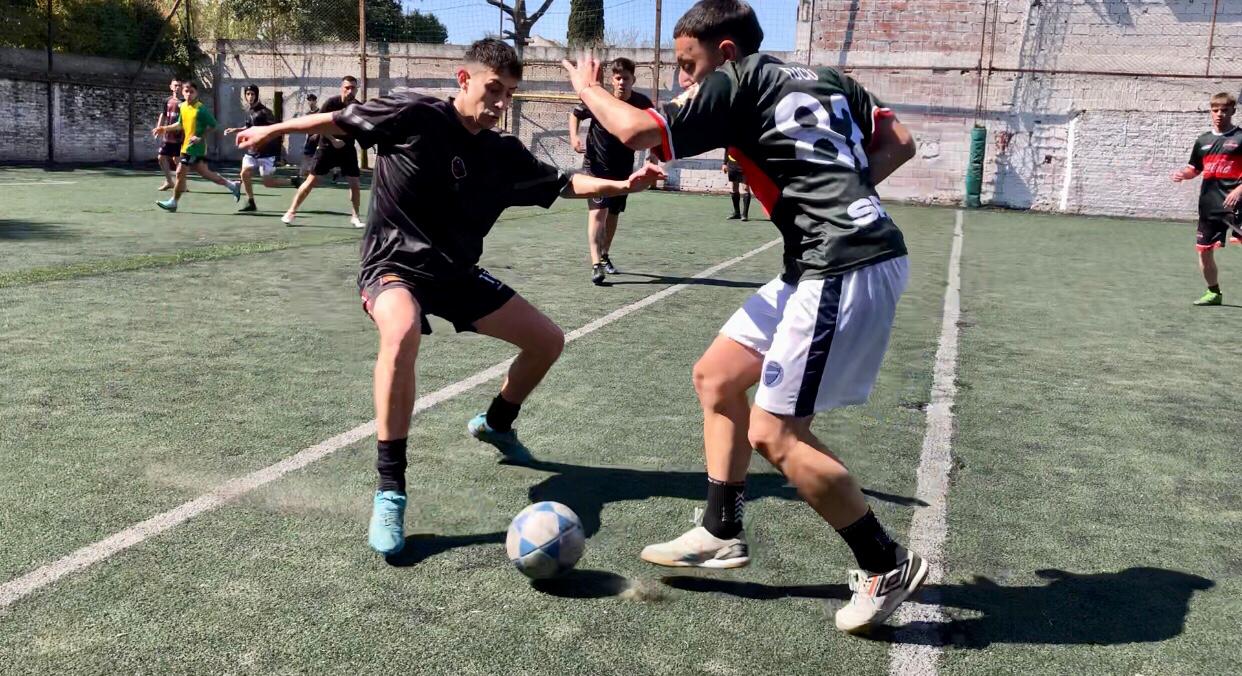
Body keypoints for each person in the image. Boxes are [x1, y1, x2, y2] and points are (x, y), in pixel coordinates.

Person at [562, 0, 924, 634]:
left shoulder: (736, 80)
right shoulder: (826, 77)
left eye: (688, 64)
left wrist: (589, 89)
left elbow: (635, 132)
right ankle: (720, 529)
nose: (683, 80)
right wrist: (843, 192)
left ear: (725, 51)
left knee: (775, 434)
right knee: (717, 376)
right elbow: (899, 141)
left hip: (842, 261)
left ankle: (883, 562)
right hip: (824, 257)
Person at [236, 38, 664, 558]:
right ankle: (390, 490)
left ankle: (497, 424)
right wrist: (273, 129)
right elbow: (339, 121)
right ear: (464, 80)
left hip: (456, 275)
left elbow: (563, 183)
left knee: (548, 341)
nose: (501, 102)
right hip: (393, 266)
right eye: (493, 89)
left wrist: (624, 185)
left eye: (509, 94)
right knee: (402, 329)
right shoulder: (415, 114)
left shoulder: (501, 153)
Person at [568, 57, 654, 285]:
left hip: (623, 169)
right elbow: (575, 114)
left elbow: (656, 128)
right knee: (598, 212)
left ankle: (605, 254)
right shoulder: (600, 100)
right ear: (612, 80)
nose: (621, 82)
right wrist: (574, 137)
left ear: (633, 79)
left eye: (626, 78)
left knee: (613, 214)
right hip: (596, 167)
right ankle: (596, 264)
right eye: (618, 78)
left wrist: (653, 156)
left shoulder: (642, 103)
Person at [1171, 91, 1242, 306]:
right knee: (1204, 251)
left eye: (1224, 110)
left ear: (1233, 111)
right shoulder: (1202, 140)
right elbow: (1195, 168)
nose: (1219, 114)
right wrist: (1184, 174)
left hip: (1237, 204)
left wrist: (1239, 190)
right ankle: (1213, 293)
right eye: (1215, 110)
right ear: (1210, 111)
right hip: (1209, 205)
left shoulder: (1240, 138)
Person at [282, 76, 363, 228]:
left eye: (353, 88)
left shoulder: (358, 107)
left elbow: (361, 127)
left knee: (355, 184)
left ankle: (355, 217)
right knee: (311, 181)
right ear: (342, 88)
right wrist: (333, 140)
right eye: (347, 87)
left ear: (356, 90)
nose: (350, 91)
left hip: (347, 149)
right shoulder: (331, 103)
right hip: (327, 147)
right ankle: (291, 212)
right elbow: (319, 125)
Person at [152, 81, 241, 212]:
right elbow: (180, 124)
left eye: (192, 92)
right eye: (186, 91)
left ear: (196, 93)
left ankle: (173, 202)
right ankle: (232, 185)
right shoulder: (183, 106)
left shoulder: (200, 109)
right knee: (206, 173)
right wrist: (164, 128)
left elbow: (214, 125)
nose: (189, 94)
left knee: (179, 172)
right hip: (186, 146)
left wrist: (200, 137)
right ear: (183, 92)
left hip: (195, 148)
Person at [223, 85, 283, 212]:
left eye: (252, 94)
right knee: (244, 173)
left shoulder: (265, 112)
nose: (250, 96)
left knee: (268, 183)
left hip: (266, 153)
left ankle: (294, 182)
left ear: (257, 95)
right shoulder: (249, 111)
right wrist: (235, 130)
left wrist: (265, 140)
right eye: (248, 94)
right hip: (252, 151)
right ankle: (251, 202)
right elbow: (248, 128)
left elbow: (274, 129)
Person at [156, 78, 183, 190]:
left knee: (178, 160)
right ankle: (169, 181)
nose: (177, 88)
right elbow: (163, 115)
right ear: (171, 87)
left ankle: (181, 183)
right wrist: (159, 128)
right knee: (161, 157)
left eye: (179, 85)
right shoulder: (167, 101)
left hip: (180, 136)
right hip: (168, 136)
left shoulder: (185, 102)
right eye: (175, 85)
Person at [298, 93, 321, 182]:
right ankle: (301, 175)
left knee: (318, 157)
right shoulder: (307, 114)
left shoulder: (320, 112)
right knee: (306, 156)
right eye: (309, 100)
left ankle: (335, 172)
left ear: (315, 101)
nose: (310, 102)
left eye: (312, 100)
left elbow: (322, 125)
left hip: (318, 138)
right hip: (310, 138)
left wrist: (317, 134)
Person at [723, 152, 750, 220]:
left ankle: (745, 215)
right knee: (733, 188)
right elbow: (727, 150)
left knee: (745, 188)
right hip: (732, 165)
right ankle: (737, 213)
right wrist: (724, 163)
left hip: (744, 164)